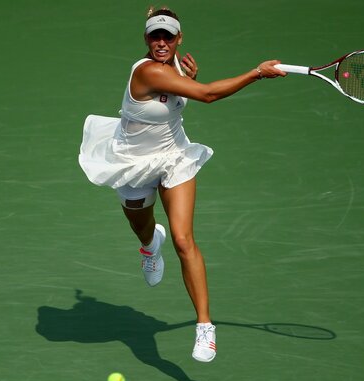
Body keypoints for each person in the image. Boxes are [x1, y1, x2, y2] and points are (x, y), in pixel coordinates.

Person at [78, 6, 286, 363]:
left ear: (179, 38)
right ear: (146, 39)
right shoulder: (147, 72)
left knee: (184, 239)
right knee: (143, 228)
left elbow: (188, 93)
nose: (161, 42)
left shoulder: (174, 67)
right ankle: (148, 245)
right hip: (133, 162)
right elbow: (206, 95)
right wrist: (257, 73)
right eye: (155, 36)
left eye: (168, 36)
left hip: (174, 156)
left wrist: (186, 79)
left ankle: (205, 327)